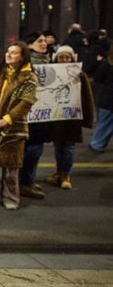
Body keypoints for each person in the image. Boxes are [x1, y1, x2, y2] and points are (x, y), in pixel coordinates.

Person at [0, 42, 38, 210]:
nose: (9, 55)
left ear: (22, 56)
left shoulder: (29, 77)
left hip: (14, 126)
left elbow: (26, 102)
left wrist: (7, 119)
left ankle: (11, 197)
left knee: (12, 164)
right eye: (8, 51)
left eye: (14, 53)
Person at [41, 45, 95, 189]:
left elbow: (87, 97)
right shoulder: (51, 73)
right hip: (57, 116)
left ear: (72, 58)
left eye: (67, 57)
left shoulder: (79, 74)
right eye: (61, 57)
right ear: (56, 58)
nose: (64, 60)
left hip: (72, 117)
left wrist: (88, 116)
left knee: (69, 146)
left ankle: (66, 175)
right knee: (58, 146)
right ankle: (60, 172)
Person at [19, 32, 50, 199]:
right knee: (31, 149)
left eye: (45, 41)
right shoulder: (26, 65)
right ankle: (24, 182)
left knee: (37, 149)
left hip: (42, 114)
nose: (44, 43)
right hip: (29, 114)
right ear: (30, 45)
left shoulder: (49, 62)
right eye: (40, 41)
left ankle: (28, 180)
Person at [89, 44, 113, 153]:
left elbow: (98, 77)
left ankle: (97, 144)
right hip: (108, 100)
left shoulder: (107, 63)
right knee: (105, 124)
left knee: (104, 123)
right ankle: (96, 144)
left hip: (106, 98)